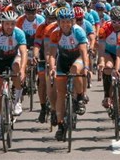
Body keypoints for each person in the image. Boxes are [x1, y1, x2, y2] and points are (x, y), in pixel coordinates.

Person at [48, 8, 89, 141]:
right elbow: (52, 54)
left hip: (77, 58)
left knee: (75, 70)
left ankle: (80, 97)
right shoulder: (55, 33)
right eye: (63, 22)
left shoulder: (78, 31)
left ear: (72, 22)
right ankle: (60, 126)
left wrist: (87, 67)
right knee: (60, 93)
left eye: (68, 22)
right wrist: (52, 68)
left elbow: (83, 52)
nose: (65, 25)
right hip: (63, 60)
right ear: (59, 22)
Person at [0, 11, 28, 140]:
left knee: (17, 66)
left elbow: (23, 53)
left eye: (12, 24)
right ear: (2, 23)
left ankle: (17, 100)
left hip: (13, 58)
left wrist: (22, 70)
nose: (10, 27)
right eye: (7, 24)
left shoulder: (19, 33)